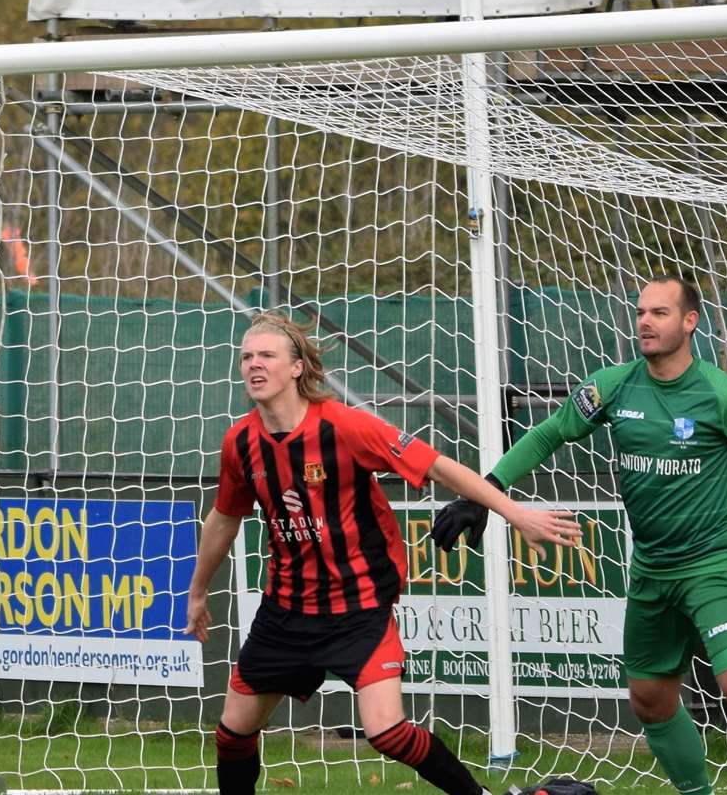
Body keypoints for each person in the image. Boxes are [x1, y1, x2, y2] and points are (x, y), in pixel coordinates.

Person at [431, 275, 727, 795]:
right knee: (650, 700)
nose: (645, 321)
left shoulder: (726, 395)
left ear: (690, 322)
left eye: (660, 313)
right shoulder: (611, 385)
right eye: (641, 312)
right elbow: (549, 432)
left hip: (714, 566)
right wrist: (482, 494)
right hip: (651, 569)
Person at [187, 314, 581, 795]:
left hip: (359, 608)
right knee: (232, 733)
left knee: (387, 731)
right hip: (286, 611)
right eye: (247, 357)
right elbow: (224, 518)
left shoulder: (346, 426)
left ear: (296, 368)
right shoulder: (241, 442)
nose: (254, 364)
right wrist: (199, 591)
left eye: (267, 355)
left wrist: (513, 513)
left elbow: (439, 467)